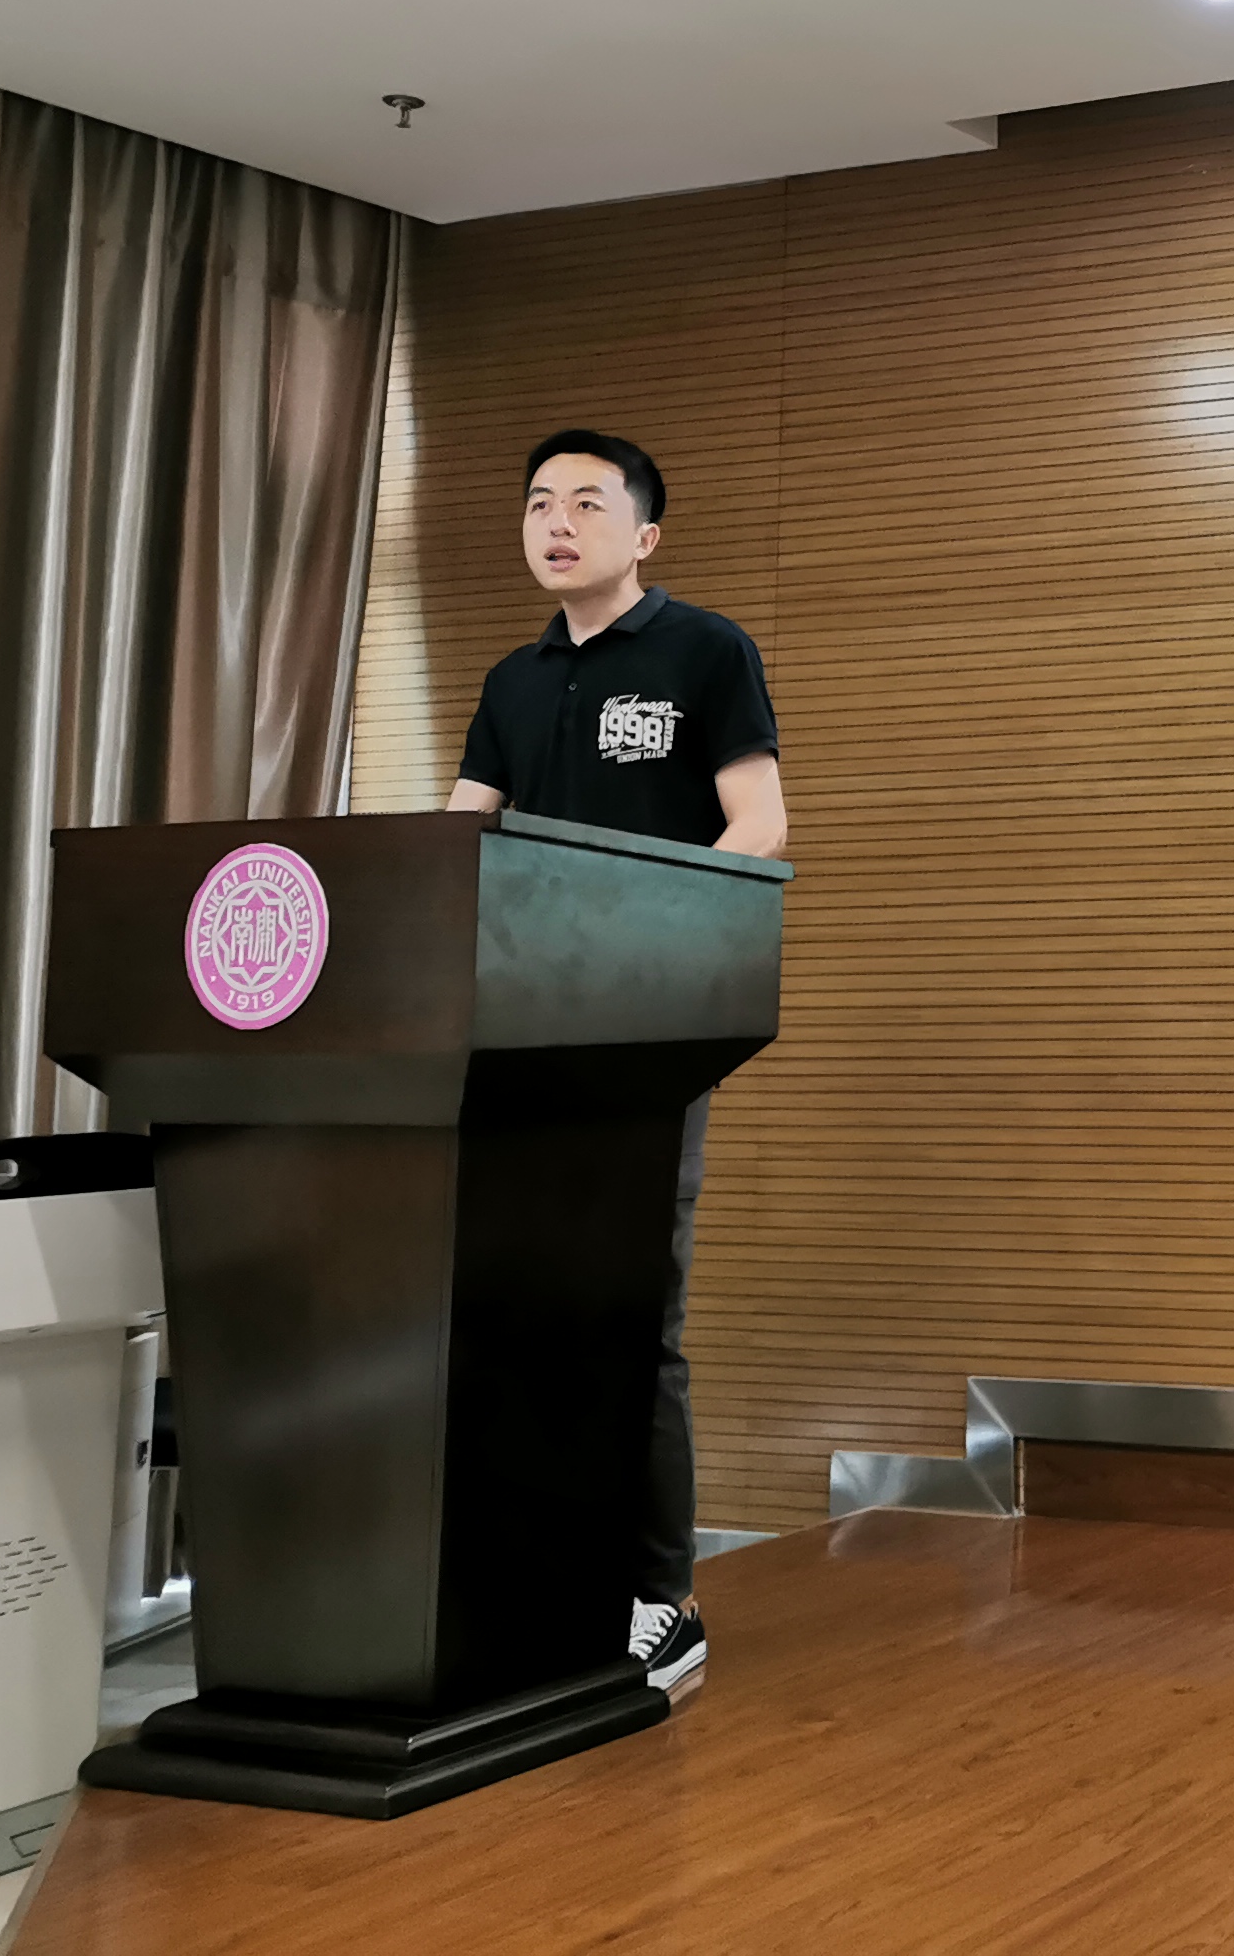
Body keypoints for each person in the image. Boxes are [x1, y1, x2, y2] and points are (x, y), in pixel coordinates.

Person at [446, 430, 785, 1705]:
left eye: (588, 504)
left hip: (644, 1035)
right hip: (508, 1035)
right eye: (540, 502)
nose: (557, 522)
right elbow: (456, 840)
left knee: (637, 1312)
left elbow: (759, 822)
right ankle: (532, 1578)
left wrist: (654, 937)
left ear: (643, 535)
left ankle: (662, 1598)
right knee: (517, 1306)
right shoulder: (512, 678)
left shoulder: (704, 652)